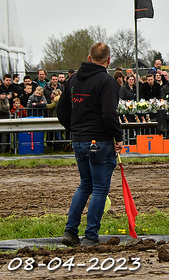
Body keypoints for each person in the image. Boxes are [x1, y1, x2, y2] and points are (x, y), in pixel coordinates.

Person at [57, 42, 123, 247]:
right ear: (108, 60)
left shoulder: (73, 79)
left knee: (84, 185)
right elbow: (109, 114)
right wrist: (118, 137)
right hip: (100, 141)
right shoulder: (107, 81)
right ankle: (91, 236)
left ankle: (70, 231)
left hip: (78, 140)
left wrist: (74, 129)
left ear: (89, 57)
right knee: (100, 188)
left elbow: (62, 110)